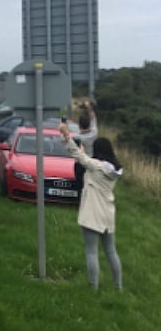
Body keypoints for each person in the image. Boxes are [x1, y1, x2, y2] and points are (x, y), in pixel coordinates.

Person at [59, 122, 123, 291]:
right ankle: (118, 287)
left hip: (92, 213)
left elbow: (80, 158)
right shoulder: (114, 169)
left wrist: (66, 135)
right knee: (111, 251)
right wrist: (83, 153)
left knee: (91, 252)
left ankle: (93, 288)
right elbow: (87, 160)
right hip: (108, 213)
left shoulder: (96, 166)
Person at [74, 100, 98, 189]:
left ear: (79, 125)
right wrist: (89, 108)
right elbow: (93, 118)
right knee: (90, 186)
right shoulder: (94, 133)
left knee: (80, 186)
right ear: (89, 124)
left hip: (80, 164)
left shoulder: (77, 137)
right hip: (91, 162)